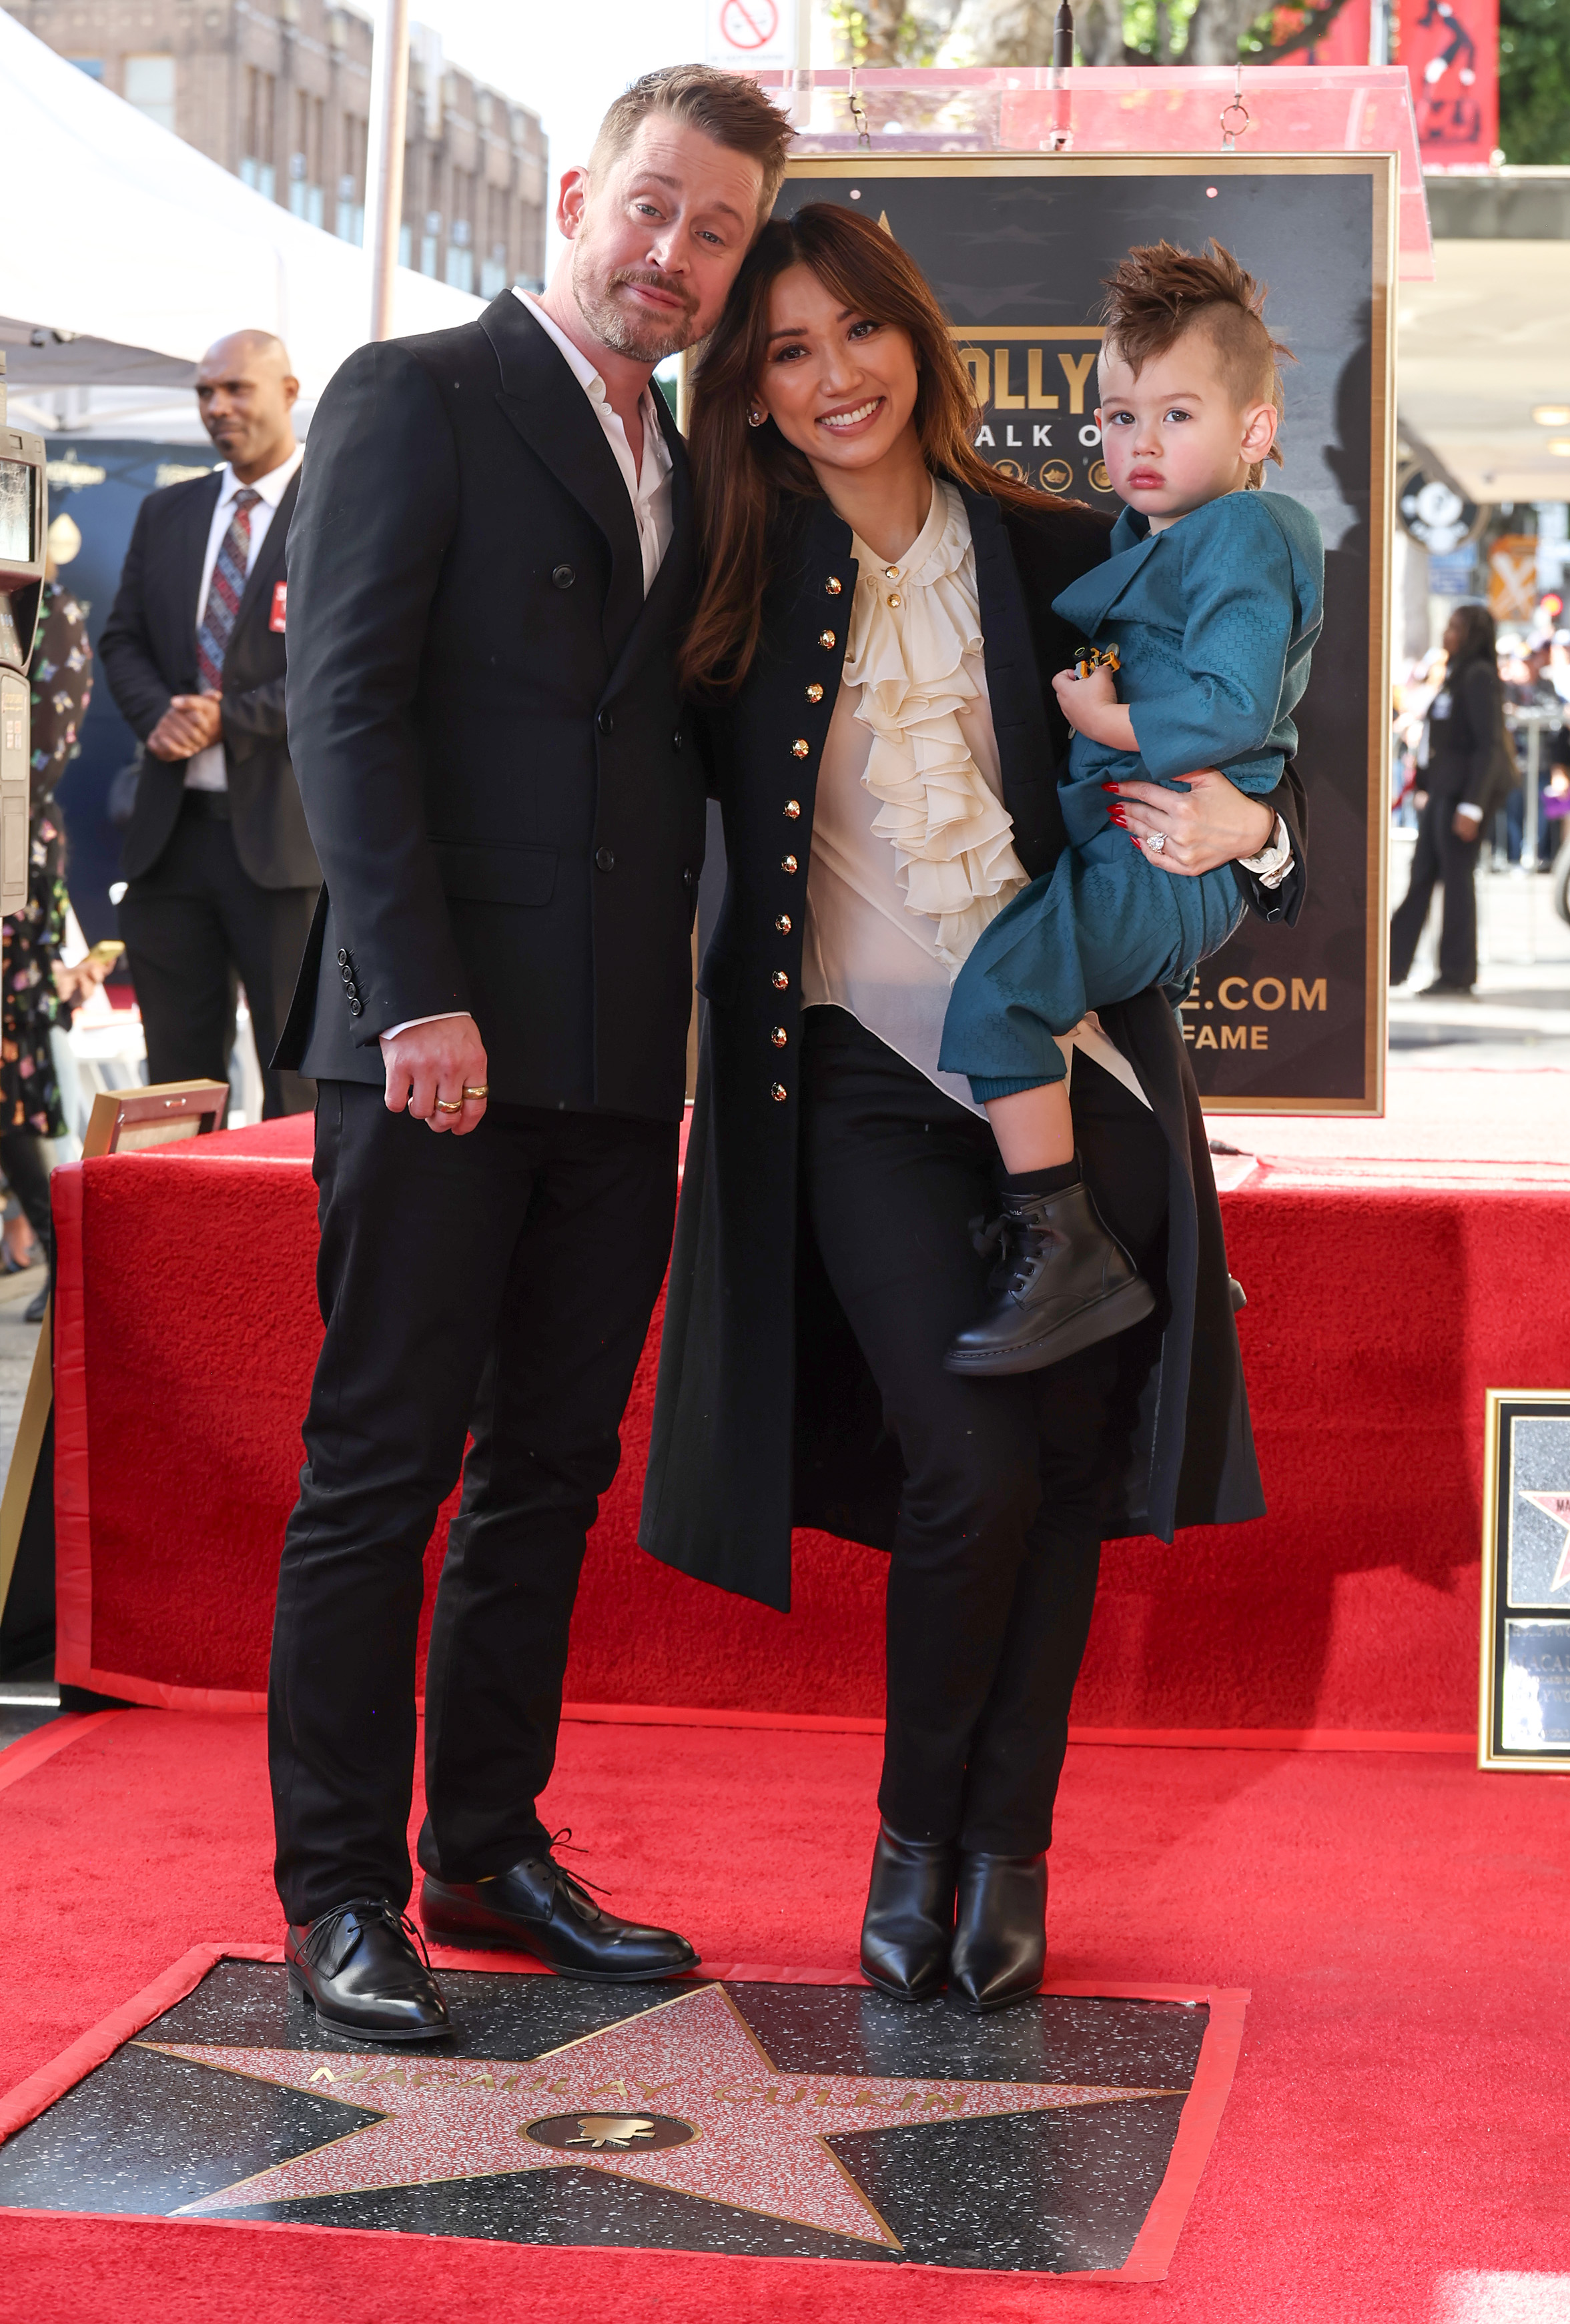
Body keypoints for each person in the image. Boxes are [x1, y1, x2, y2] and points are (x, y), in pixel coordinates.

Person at [641, 205, 1306, 2015]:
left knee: (1065, 1472)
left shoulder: (1055, 545)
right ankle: (917, 1840)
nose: (833, 374)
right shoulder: (719, 568)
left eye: (857, 331)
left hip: (1086, 1084)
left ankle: (1010, 1853)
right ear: (751, 391)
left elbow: (1251, 744)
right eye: (786, 349)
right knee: (967, 1456)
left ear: (916, 340)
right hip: (857, 1081)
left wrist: (1263, 834)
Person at [266, 65, 793, 2043]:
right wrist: (410, 997)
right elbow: (344, 706)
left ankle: (480, 1845)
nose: (675, 253)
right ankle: (334, 1891)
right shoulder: (420, 391)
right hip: (432, 1042)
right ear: (581, 194)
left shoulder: (707, 451)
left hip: (608, 1053)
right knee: (379, 1467)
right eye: (654, 207)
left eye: (717, 230)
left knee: (550, 1469)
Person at [936, 243, 1322, 1373]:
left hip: (1162, 853)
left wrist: (1102, 722)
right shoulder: (1141, 534)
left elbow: (1225, 703)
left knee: (999, 1000)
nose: (1137, 443)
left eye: (1175, 414)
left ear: (1251, 431)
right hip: (1125, 845)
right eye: (1115, 417)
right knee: (1093, 1045)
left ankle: (1064, 1253)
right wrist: (1089, 680)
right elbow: (1111, 625)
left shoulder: (1247, 531)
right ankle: (1168, 1237)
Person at [98, 330, 318, 1117]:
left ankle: (292, 1245)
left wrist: (234, 718)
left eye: (237, 389)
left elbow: (356, 669)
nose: (218, 407)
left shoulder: (340, 510)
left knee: (296, 1089)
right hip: (171, 842)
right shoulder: (169, 512)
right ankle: (186, 1245)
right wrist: (161, 716)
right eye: (205, 393)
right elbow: (121, 640)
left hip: (287, 854)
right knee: (176, 1090)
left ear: (289, 392)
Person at [1, 522, 105, 1321]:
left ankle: (66, 1255)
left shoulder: (49, 613)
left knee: (14, 1076)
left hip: (12, 876)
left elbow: (38, 757)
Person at [1389, 602, 1511, 996]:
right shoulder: (1455, 674)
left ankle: (1457, 974)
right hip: (1443, 792)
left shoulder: (1479, 677)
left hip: (1465, 798)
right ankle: (1389, 966)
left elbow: (1489, 747)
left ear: (1472, 633)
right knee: (1422, 875)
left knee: (1457, 882)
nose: (1447, 633)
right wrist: (1425, 784)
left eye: (1455, 627)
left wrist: (1472, 806)